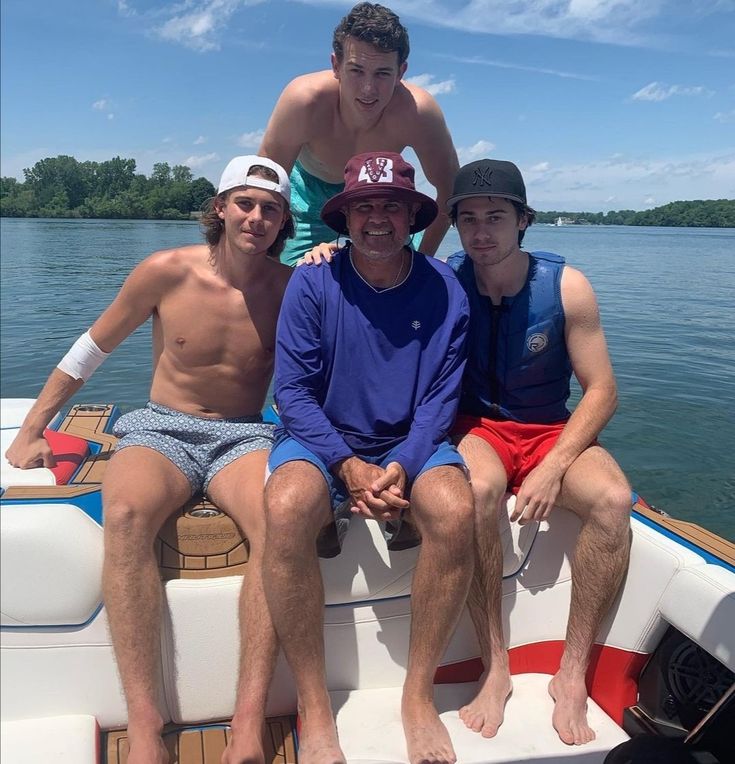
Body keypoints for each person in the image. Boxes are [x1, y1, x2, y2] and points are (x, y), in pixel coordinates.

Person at [4, 156, 294, 764]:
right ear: (220, 208)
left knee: (277, 520)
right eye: (245, 203)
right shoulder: (165, 271)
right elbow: (93, 348)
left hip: (244, 433)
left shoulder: (292, 288)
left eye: (271, 209)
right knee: (128, 513)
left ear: (284, 220)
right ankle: (144, 720)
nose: (257, 218)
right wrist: (33, 427)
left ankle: (248, 718)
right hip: (163, 426)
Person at [262, 151, 474, 764]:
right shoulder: (313, 280)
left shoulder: (444, 288)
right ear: (345, 216)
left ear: (412, 215)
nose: (377, 218)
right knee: (285, 505)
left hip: (410, 440)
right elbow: (292, 393)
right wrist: (346, 465)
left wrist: (403, 462)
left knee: (456, 512)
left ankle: (417, 695)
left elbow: (440, 397)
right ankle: (314, 703)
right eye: (364, 206)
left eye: (390, 206)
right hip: (322, 433)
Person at [446, 159, 632, 746]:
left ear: (523, 220)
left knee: (612, 500)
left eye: (496, 217)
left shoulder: (565, 285)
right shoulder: (445, 281)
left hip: (551, 427)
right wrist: (322, 255)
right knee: (475, 492)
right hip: (479, 427)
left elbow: (602, 390)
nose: (481, 232)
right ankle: (495, 664)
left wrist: (553, 466)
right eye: (468, 219)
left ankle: (572, 673)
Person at [259, 1, 459, 265]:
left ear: (401, 72)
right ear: (336, 65)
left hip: (381, 204)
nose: (368, 89)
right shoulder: (304, 101)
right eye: (356, 70)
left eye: (382, 73)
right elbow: (263, 187)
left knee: (393, 284)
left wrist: (421, 259)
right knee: (293, 281)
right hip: (306, 201)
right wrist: (264, 265)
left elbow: (452, 193)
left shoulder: (418, 113)